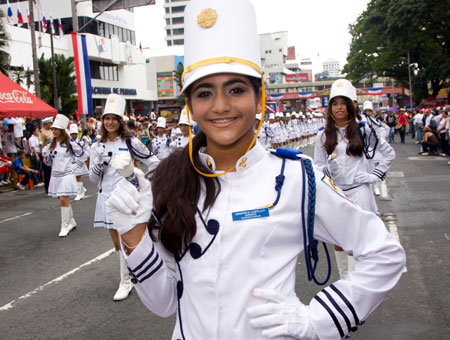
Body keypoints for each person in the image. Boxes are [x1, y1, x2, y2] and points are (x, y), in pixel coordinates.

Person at [105, 1, 405, 339]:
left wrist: (318, 321)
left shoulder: (296, 178)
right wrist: (134, 237)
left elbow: (383, 253)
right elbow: (163, 303)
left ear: (259, 98)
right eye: (205, 93)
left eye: (235, 89)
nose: (220, 105)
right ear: (191, 106)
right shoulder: (170, 182)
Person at [314, 79, 396, 280]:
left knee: (357, 242)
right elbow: (316, 167)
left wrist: (373, 176)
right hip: (335, 193)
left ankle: (357, 284)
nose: (339, 107)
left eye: (343, 103)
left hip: (359, 192)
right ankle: (344, 282)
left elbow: (389, 154)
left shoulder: (364, 131)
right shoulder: (323, 135)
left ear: (352, 105)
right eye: (335, 103)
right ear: (330, 107)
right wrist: (328, 169)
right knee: (338, 240)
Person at [89, 93, 159, 301]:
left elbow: (154, 162)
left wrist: (142, 184)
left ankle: (126, 281)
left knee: (126, 239)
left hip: (128, 199)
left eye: (114, 118)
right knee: (119, 245)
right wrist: (100, 163)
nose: (110, 122)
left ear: (120, 121)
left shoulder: (131, 141)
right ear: (102, 121)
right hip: (107, 199)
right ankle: (133, 272)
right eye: (106, 118)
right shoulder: (96, 146)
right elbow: (93, 179)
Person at [42, 114, 81, 237]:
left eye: (56, 129)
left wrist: (75, 166)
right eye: (52, 129)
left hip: (67, 174)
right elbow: (48, 162)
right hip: (55, 175)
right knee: (61, 199)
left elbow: (84, 154)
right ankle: (71, 221)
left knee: (64, 199)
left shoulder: (70, 143)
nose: (53, 131)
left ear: (62, 130)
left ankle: (64, 226)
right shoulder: (50, 144)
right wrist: (45, 155)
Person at [69, 123, 90, 201]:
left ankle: (79, 193)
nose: (74, 135)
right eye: (72, 134)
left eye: (75, 134)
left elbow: (87, 151)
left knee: (78, 177)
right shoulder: (69, 142)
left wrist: (83, 159)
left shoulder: (81, 142)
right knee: (74, 178)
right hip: (72, 162)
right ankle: (82, 189)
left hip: (79, 161)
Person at [40, 117, 54, 195]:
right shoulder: (42, 132)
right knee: (47, 173)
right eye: (50, 123)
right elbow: (41, 144)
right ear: (46, 124)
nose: (51, 125)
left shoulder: (50, 131)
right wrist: (43, 155)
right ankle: (47, 190)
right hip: (46, 153)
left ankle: (52, 188)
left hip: (52, 153)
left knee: (52, 172)